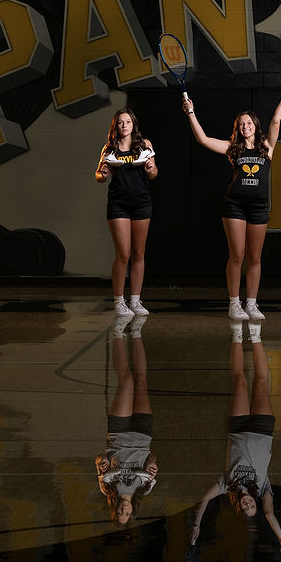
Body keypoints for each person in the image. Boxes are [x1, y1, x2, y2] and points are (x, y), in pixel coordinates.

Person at [182, 84, 281, 320]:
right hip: (234, 206)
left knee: (255, 257)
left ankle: (251, 304)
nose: (245, 127)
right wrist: (191, 112)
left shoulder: (266, 147)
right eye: (241, 124)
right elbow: (203, 139)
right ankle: (234, 304)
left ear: (255, 126)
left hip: (259, 207)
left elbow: (275, 121)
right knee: (237, 255)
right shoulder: (233, 148)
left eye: (249, 123)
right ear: (238, 128)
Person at [190, 323, 281, 553]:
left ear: (239, 507)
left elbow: (204, 500)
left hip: (237, 429)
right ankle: (255, 335)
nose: (248, 505)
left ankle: (237, 333)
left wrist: (196, 525)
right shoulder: (263, 488)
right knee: (262, 383)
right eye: (251, 507)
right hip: (263, 430)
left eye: (245, 508)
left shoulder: (227, 486)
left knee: (240, 381)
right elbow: (269, 513)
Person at [95, 313, 156, 526]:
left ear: (115, 510)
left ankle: (118, 332)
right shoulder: (144, 489)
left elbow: (100, 459)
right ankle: (137, 331)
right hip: (142, 434)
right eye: (126, 514)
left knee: (127, 380)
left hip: (119, 433)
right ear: (132, 513)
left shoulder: (107, 489)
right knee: (140, 379)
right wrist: (153, 463)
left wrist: (101, 461)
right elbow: (151, 458)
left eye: (119, 513)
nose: (123, 510)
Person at [95, 109, 158, 316]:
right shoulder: (110, 148)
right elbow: (99, 175)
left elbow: (154, 173)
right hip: (118, 204)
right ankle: (119, 301)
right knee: (123, 253)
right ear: (115, 126)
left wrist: (150, 169)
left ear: (133, 125)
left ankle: (136, 301)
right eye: (120, 122)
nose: (124, 125)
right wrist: (102, 174)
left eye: (128, 122)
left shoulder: (145, 145)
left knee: (139, 253)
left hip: (141, 203)